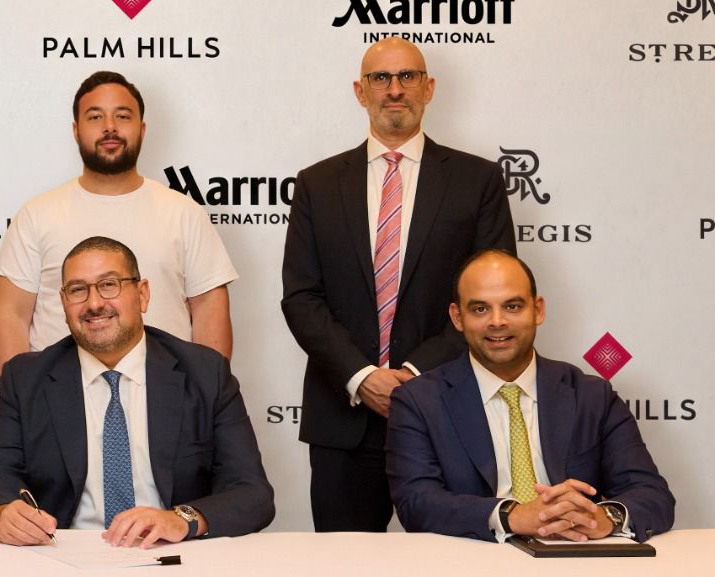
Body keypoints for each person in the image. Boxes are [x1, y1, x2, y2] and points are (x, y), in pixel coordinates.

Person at [282, 37, 516, 532]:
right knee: (344, 570)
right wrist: (362, 376)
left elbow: (491, 301)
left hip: (446, 411)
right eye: (381, 78)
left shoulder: (478, 181)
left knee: (452, 568)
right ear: (360, 91)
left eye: (408, 77)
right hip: (344, 417)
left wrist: (414, 373)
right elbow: (302, 298)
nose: (394, 89)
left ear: (428, 88)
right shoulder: (316, 184)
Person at [0, 237, 273, 546]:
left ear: (142, 294)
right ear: (63, 303)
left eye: (109, 285)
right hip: (64, 555)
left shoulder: (204, 373)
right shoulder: (26, 378)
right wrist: (0, 515)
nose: (94, 303)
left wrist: (182, 519)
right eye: (78, 290)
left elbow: (252, 492)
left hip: (172, 554)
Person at [386, 250, 673, 542]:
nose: (497, 321)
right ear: (457, 318)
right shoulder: (418, 401)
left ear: (538, 310)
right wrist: (510, 516)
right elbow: (416, 503)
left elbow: (653, 495)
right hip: (474, 559)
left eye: (512, 306)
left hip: (575, 557)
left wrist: (604, 518)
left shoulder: (592, 396)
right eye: (480, 309)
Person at [0, 70, 236, 379]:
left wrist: (205, 396)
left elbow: (210, 312)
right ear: (76, 130)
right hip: (58, 399)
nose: (110, 127)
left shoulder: (185, 213)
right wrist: (21, 400)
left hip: (168, 397)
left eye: (122, 116)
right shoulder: (35, 216)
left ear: (142, 129)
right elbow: (11, 319)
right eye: (95, 117)